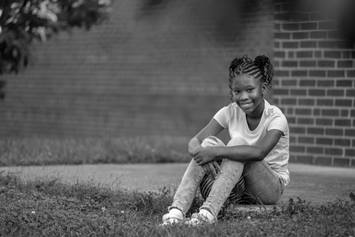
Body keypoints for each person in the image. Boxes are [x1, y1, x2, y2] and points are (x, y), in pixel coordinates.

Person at [161, 55, 289, 226]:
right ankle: (176, 211)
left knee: (236, 144)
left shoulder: (276, 117)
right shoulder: (230, 111)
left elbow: (259, 152)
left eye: (250, 90)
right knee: (208, 143)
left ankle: (207, 214)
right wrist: (203, 154)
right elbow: (194, 141)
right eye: (237, 92)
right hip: (239, 185)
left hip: (269, 188)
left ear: (263, 88)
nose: (243, 96)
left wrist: (215, 153)